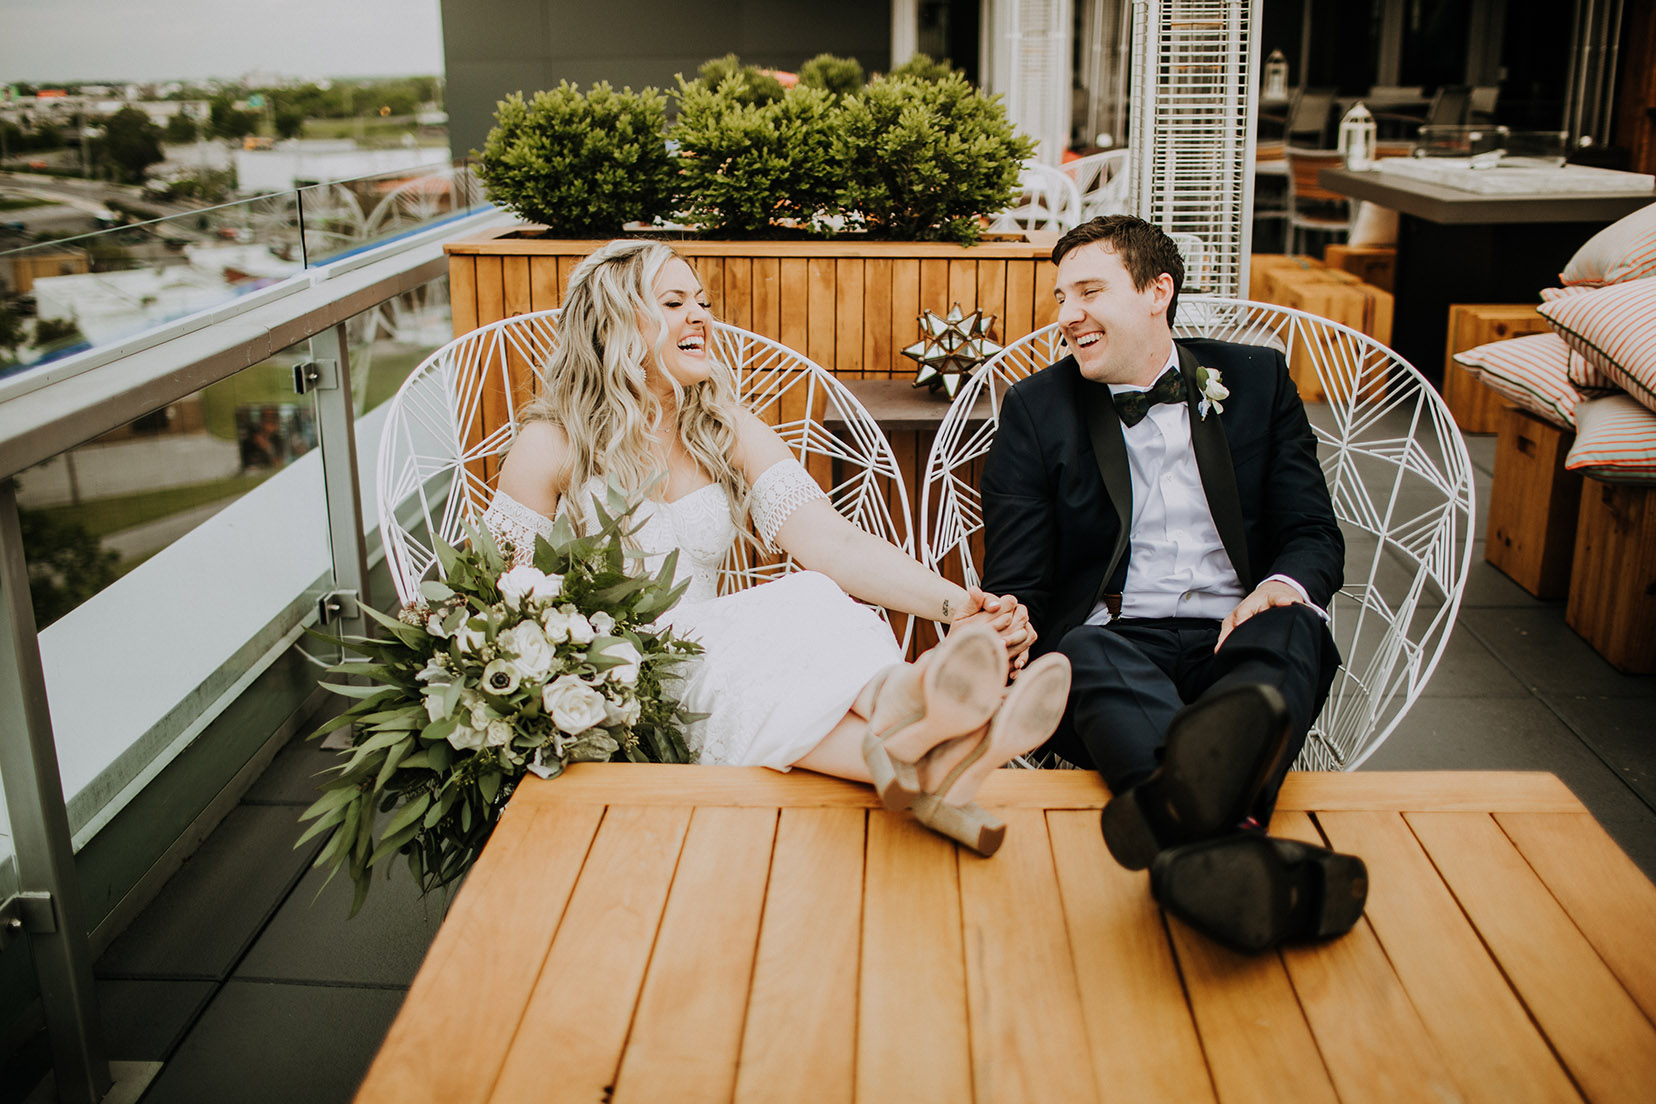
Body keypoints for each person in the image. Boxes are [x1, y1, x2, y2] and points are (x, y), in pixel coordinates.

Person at [481, 239, 1071, 856]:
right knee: (745, 642)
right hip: (626, 683)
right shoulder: (552, 445)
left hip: (710, 657)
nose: (701, 316)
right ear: (615, 323)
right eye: (675, 302)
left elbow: (832, 542)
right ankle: (949, 733)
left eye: (702, 302)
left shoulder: (721, 427)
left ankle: (926, 751)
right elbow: (496, 593)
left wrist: (961, 607)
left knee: (812, 591)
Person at [980, 215, 1367, 951]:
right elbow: (1019, 579)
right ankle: (1242, 841)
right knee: (1079, 653)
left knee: (1293, 624)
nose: (1066, 316)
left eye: (1089, 291)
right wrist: (1008, 622)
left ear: (1158, 291)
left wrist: (1281, 584)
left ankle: (1181, 828)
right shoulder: (1037, 409)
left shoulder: (1255, 380)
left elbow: (1312, 533)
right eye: (1061, 297)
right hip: (1119, 644)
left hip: (1242, 632)